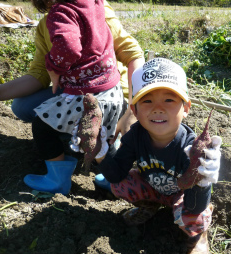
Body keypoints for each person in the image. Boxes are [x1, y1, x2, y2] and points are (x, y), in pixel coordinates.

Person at [14, 0, 143, 195]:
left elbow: (69, 47)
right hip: (112, 92)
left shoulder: (60, 13)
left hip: (84, 94)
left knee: (42, 125)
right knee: (104, 132)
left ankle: (58, 178)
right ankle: (115, 179)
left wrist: (53, 67)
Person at [95, 58, 222, 254]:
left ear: (186, 107)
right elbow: (116, 174)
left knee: (194, 216)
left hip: (184, 197)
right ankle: (149, 207)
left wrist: (202, 182)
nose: (158, 108)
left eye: (169, 99)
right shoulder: (134, 137)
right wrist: (101, 152)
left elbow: (194, 205)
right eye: (147, 100)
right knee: (120, 184)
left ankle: (198, 236)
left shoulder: (190, 148)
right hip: (154, 190)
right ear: (134, 110)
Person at [0, 0, 144, 141]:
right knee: (22, 106)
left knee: (105, 141)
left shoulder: (94, 5)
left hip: (111, 91)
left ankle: (108, 132)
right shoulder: (47, 23)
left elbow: (134, 55)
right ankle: (77, 137)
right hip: (75, 89)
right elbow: (39, 74)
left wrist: (133, 109)